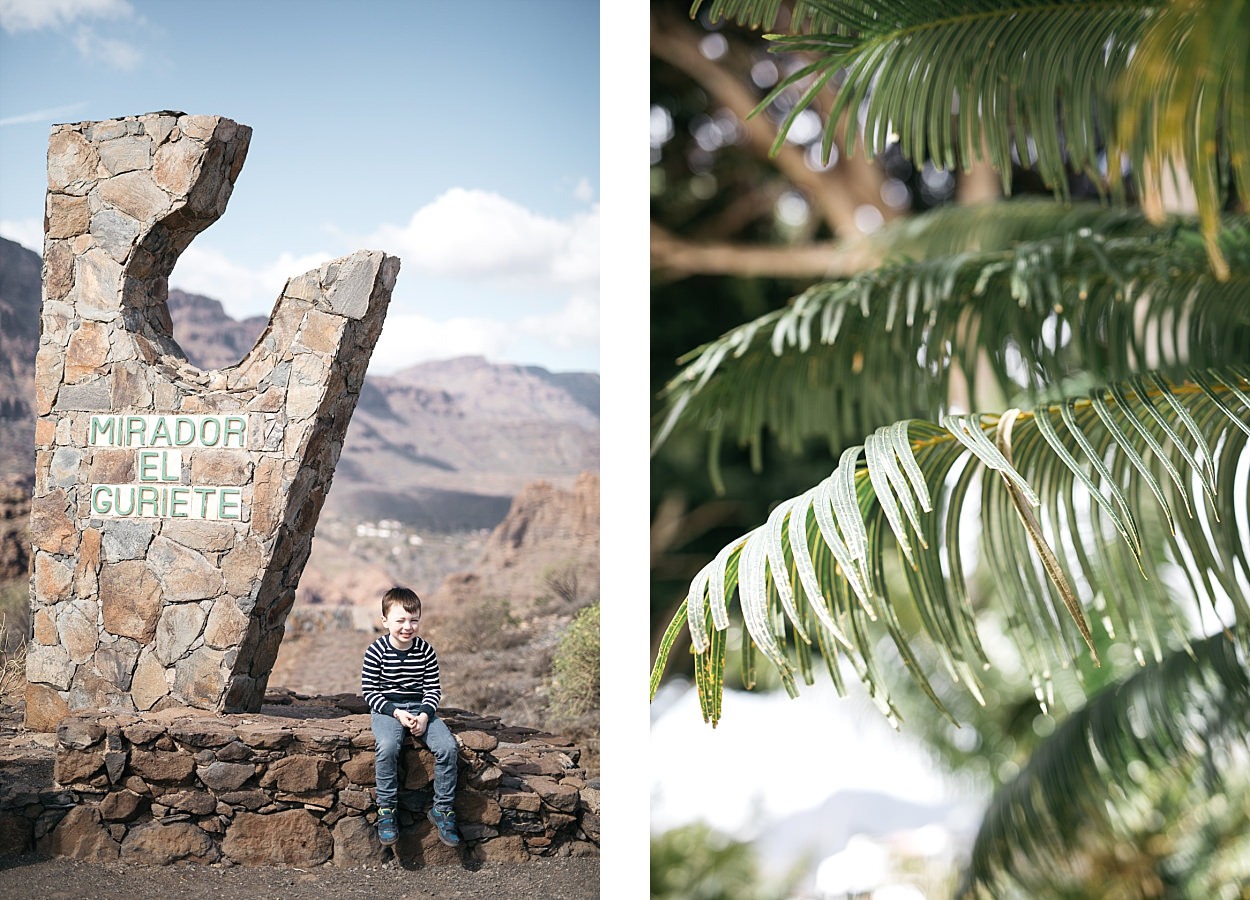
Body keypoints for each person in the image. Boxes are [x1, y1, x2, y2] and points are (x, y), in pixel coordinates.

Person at [361, 586, 460, 848]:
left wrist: (425, 716)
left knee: (448, 748)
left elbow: (432, 689)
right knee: (388, 746)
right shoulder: (376, 651)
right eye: (400, 620)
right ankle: (386, 810)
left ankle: (443, 809)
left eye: (414, 620)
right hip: (388, 709)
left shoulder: (425, 651)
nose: (408, 626)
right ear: (385, 621)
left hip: (420, 708)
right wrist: (396, 713)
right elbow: (370, 693)